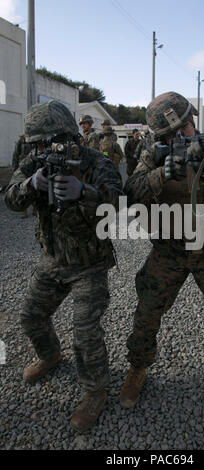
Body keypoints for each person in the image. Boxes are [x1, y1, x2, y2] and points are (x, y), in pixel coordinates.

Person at [120, 91, 204, 429]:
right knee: (147, 312)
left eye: (186, 128)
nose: (181, 137)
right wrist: (162, 174)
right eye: (170, 135)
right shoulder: (152, 155)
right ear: (161, 138)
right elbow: (130, 193)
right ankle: (137, 368)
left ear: (194, 123)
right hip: (169, 248)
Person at [5, 100, 123, 433]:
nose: (45, 149)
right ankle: (51, 356)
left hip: (89, 262)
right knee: (31, 316)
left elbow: (119, 203)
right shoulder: (33, 162)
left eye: (50, 141)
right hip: (53, 259)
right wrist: (31, 185)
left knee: (85, 334)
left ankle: (94, 391)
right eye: (39, 143)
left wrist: (84, 191)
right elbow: (11, 200)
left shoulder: (94, 161)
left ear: (68, 135)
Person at [11, 134, 33, 218]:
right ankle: (23, 210)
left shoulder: (36, 138)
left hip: (33, 167)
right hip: (23, 167)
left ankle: (35, 209)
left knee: (35, 188)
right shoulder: (21, 140)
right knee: (23, 188)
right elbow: (15, 154)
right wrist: (14, 168)